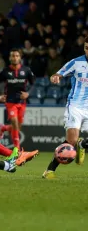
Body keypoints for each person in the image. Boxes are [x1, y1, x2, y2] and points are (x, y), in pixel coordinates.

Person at [42, 37, 88, 179]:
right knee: (71, 142)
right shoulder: (77, 62)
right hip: (76, 105)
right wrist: (55, 77)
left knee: (78, 142)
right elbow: (57, 74)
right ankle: (49, 170)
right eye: (86, 47)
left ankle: (83, 144)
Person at [0, 49, 38, 151]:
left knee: (17, 127)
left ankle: (4, 128)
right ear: (10, 58)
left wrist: (28, 93)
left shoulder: (26, 70)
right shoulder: (5, 71)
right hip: (10, 101)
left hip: (22, 102)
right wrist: (0, 95)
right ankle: (17, 149)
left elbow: (34, 83)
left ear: (20, 57)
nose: (15, 58)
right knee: (14, 122)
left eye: (17, 56)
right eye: (13, 56)